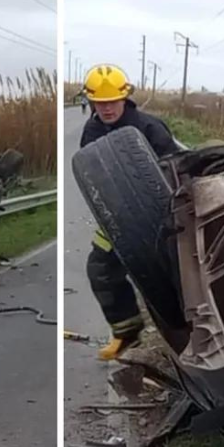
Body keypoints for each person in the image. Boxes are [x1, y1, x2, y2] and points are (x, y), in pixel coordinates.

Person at [79, 64, 181, 360]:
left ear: (125, 98)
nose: (107, 108)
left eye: (112, 101)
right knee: (100, 269)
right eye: (100, 102)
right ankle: (127, 334)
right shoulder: (92, 130)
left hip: (163, 218)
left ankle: (188, 334)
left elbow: (177, 171)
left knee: (175, 275)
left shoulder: (150, 128)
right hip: (118, 218)